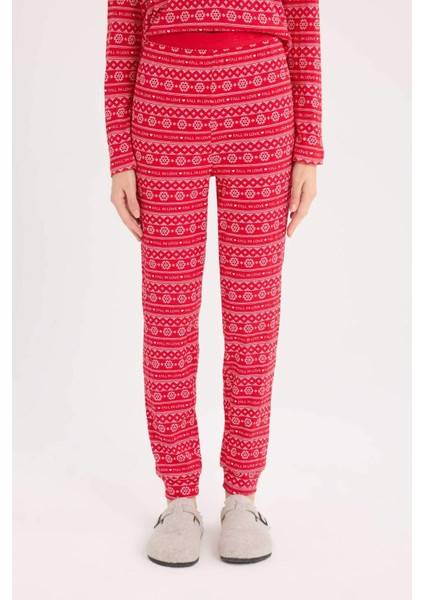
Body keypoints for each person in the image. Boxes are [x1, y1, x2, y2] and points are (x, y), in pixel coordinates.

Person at [104, 0, 324, 567]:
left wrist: (309, 147)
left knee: (254, 314)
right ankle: (179, 499)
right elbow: (122, 28)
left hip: (262, 108)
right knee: (168, 316)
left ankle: (242, 497)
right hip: (162, 110)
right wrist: (119, 154)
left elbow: (304, 21)